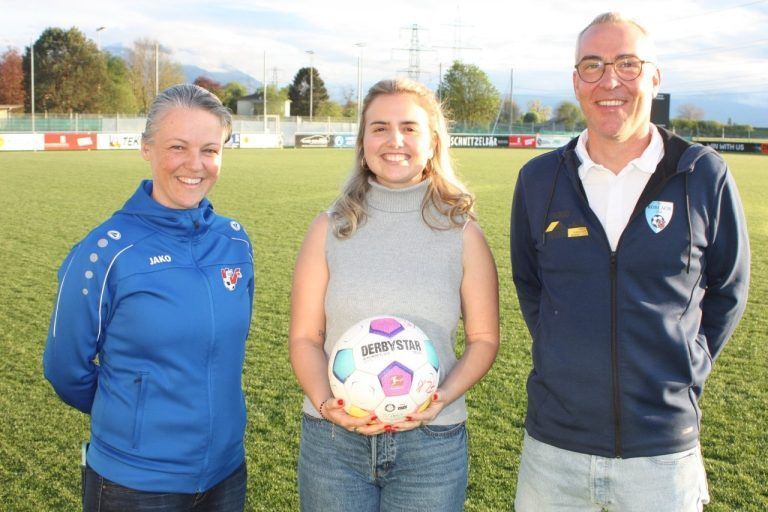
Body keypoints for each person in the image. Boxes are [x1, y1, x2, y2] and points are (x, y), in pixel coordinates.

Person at [510, 12, 750, 512]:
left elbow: (728, 288)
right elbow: (531, 287)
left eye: (627, 63)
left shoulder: (703, 174)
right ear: (576, 81)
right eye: (593, 65)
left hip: (663, 456)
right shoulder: (538, 179)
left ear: (654, 76)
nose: (609, 80)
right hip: (554, 452)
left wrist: (685, 363)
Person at [289, 78, 499, 511]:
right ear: (363, 141)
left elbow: (484, 340)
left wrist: (438, 399)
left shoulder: (462, 232)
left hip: (432, 443)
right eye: (379, 127)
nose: (394, 140)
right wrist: (328, 405)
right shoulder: (328, 227)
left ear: (433, 141)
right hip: (334, 443)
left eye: (410, 127)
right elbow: (305, 338)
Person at [43, 84, 254, 512]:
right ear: (146, 148)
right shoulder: (105, 252)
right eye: (178, 146)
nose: (195, 165)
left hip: (227, 472)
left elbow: (229, 347)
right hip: (134, 483)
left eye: (210, 150)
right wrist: (133, 416)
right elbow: (65, 369)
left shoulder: (234, 241)